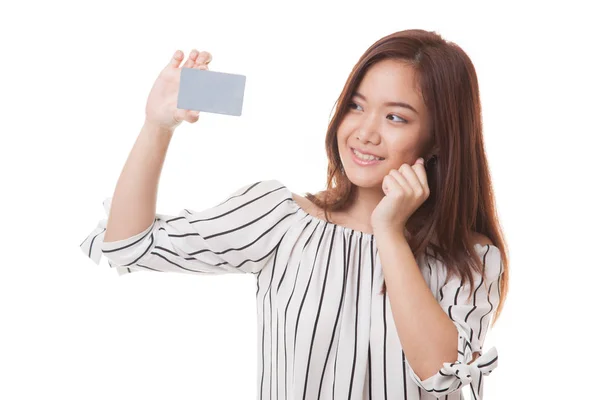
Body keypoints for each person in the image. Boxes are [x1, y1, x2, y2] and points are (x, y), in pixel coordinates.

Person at [80, 28, 509, 400]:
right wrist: (157, 126)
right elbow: (129, 246)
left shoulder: (469, 259)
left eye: (395, 117)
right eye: (356, 106)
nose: (364, 131)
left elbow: (440, 375)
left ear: (437, 141)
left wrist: (390, 233)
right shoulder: (281, 220)